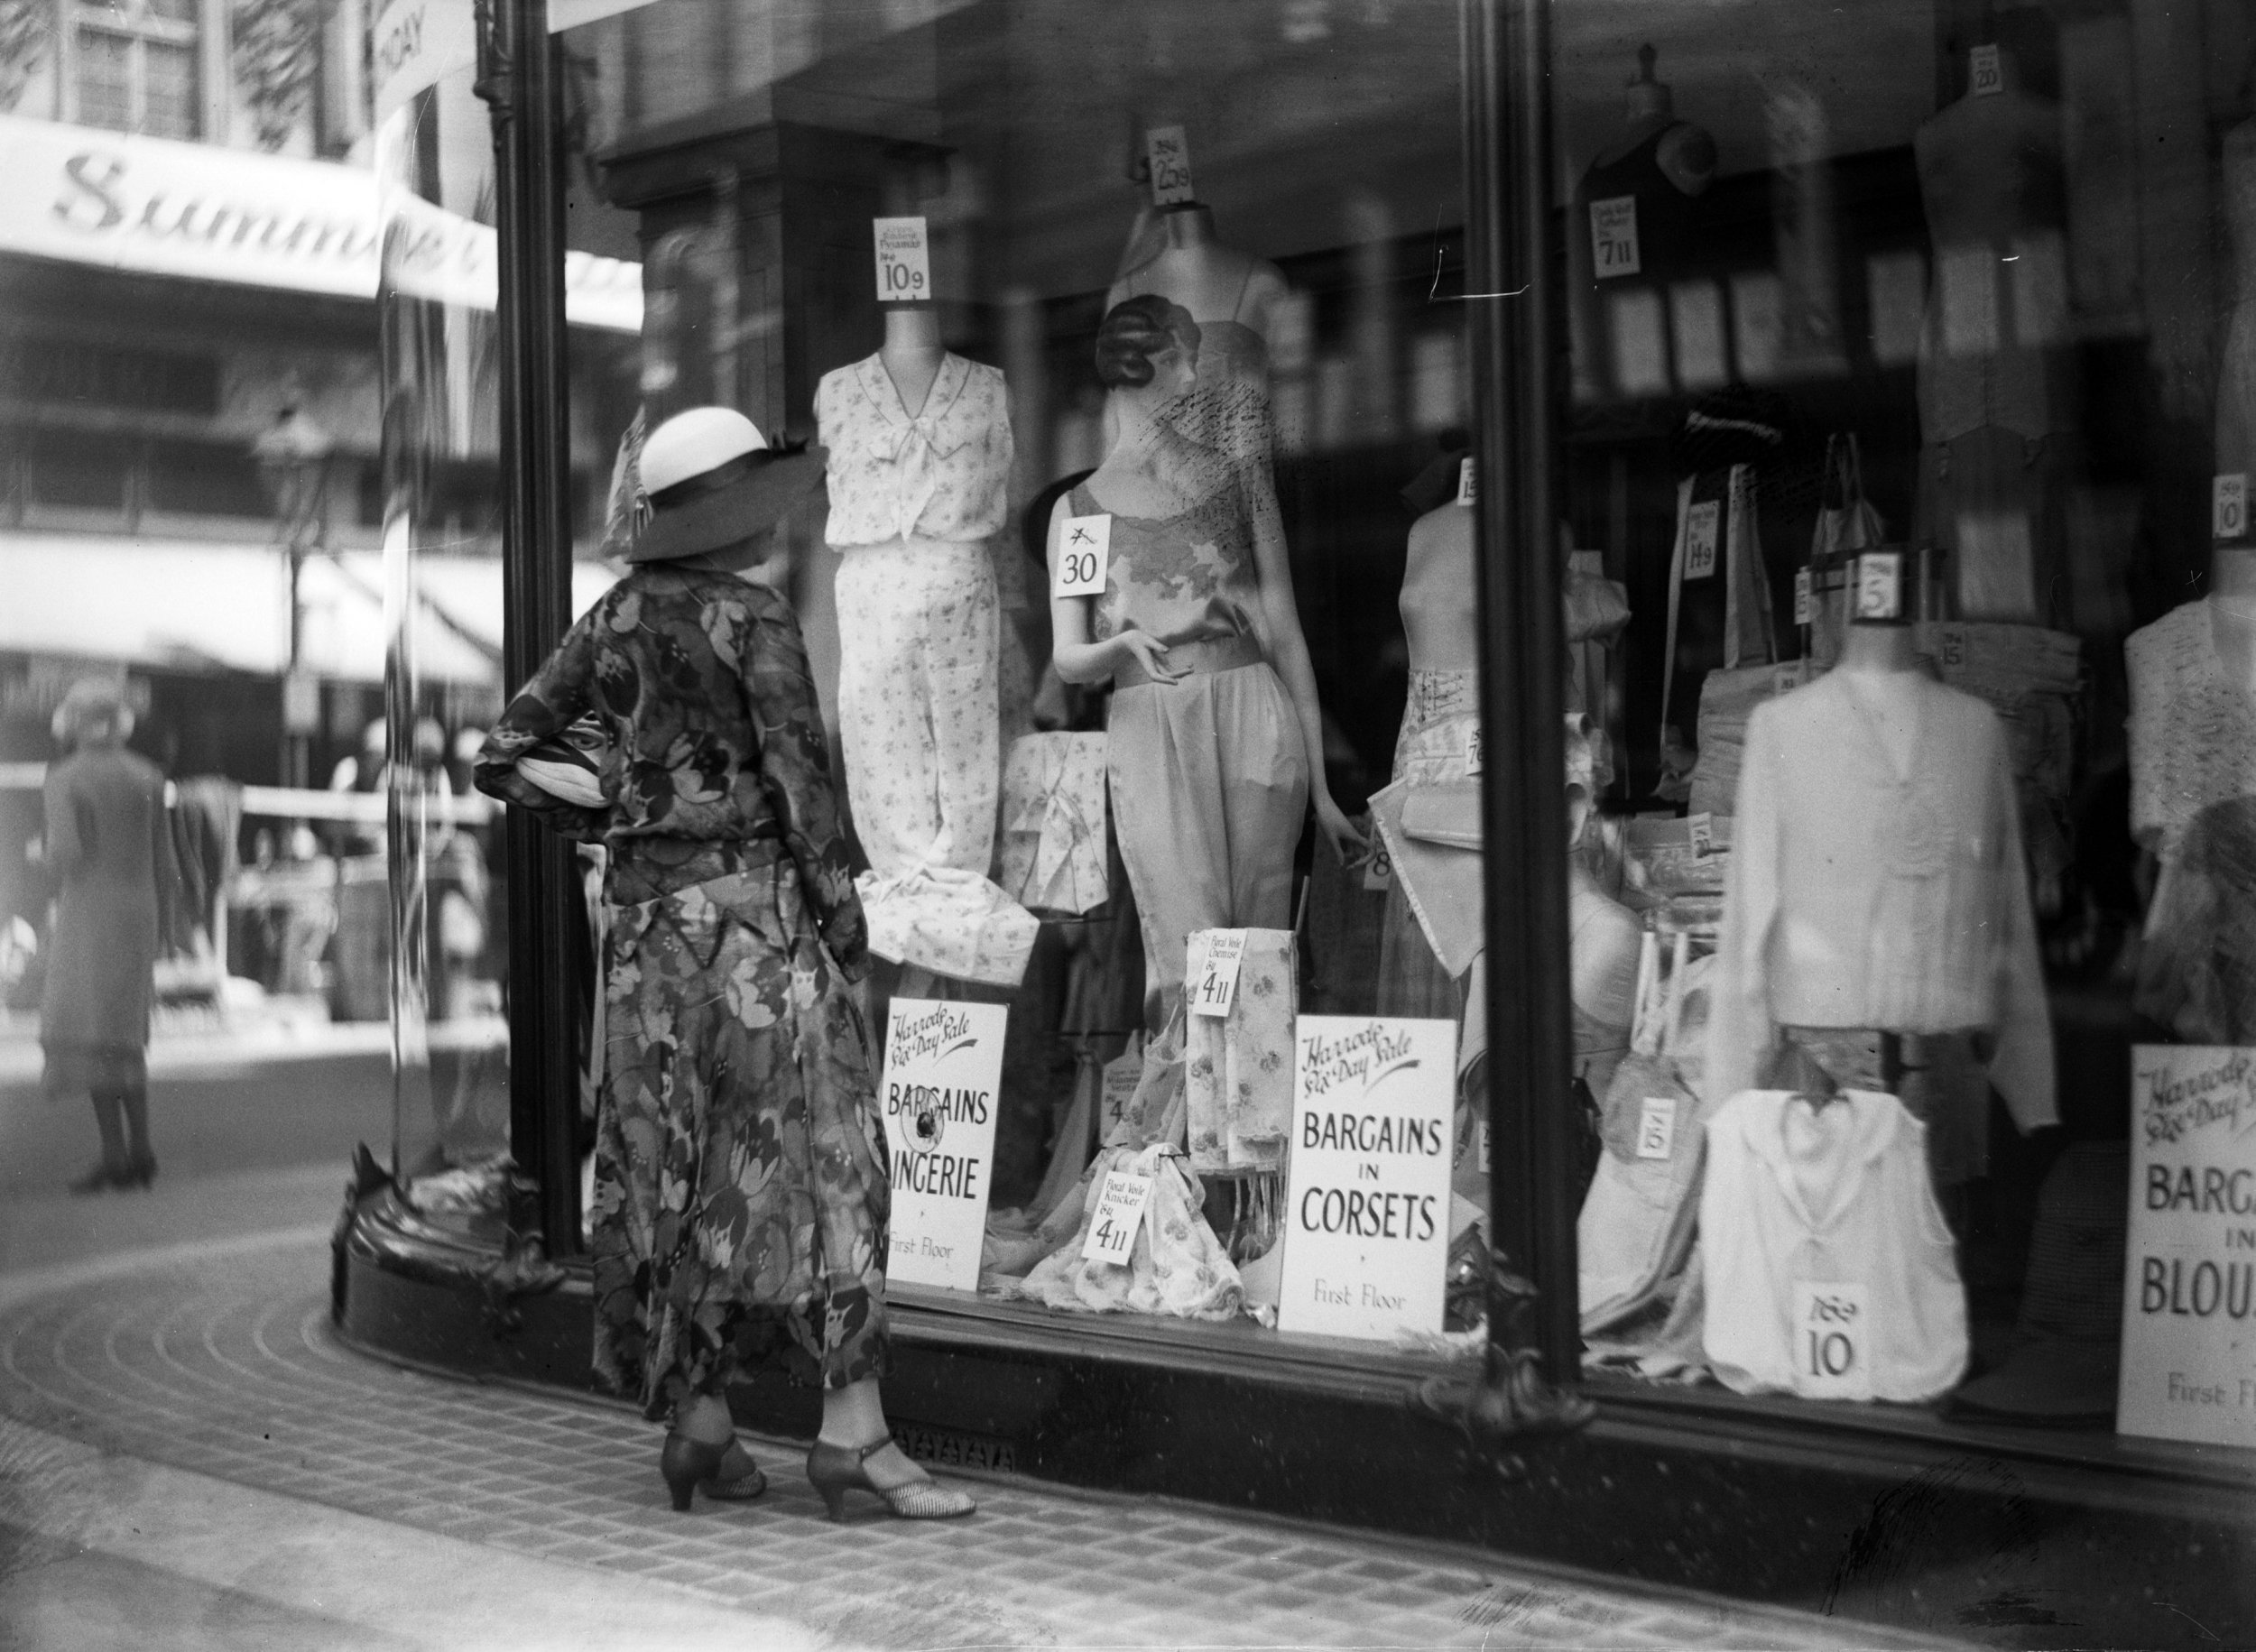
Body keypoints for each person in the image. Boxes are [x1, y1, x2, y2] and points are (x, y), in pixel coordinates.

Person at [473, 406, 973, 1522]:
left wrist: (632, 807)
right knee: (835, 1161)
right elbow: (804, 794)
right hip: (761, 934)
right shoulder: (755, 620)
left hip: (649, 946)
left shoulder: (609, 618)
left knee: (679, 1167)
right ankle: (856, 1441)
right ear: (731, 516)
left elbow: (504, 758)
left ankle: (698, 1420)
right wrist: (844, 931)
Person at [1047, 296, 1358, 1062]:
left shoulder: (1238, 480)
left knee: (1258, 950)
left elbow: (1284, 628)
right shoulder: (1078, 511)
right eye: (1177, 357)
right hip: (1153, 725)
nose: (1192, 376)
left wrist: (1321, 785)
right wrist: (1120, 648)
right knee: (1187, 952)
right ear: (1133, 365)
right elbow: (1067, 657)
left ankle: (1260, 1167)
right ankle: (1191, 1167)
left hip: (1251, 710)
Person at [37, 678, 172, 1195]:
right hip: (140, 910)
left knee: (94, 1033)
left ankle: (115, 1154)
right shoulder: (149, 776)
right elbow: (164, 859)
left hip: (90, 912)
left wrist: (39, 855)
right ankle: (141, 1149)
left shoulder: (64, 778)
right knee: (125, 1031)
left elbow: (68, 854)